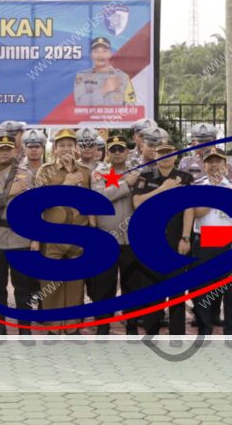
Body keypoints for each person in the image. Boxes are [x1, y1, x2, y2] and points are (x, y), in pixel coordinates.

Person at [132, 137, 194, 342]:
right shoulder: (145, 177)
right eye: (161, 152)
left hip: (176, 239)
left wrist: (186, 237)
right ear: (155, 155)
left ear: (175, 155)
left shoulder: (185, 178)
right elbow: (137, 203)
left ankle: (177, 335)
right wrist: (163, 189)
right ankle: (151, 333)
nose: (165, 156)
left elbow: (189, 209)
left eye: (169, 152)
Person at [34, 128, 94, 336]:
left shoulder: (85, 172)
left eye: (70, 144)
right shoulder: (46, 171)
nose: (66, 148)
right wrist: (65, 184)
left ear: (76, 148)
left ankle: (72, 325)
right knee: (51, 282)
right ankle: (53, 326)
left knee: (75, 283)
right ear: (55, 150)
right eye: (62, 145)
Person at [0, 135, 36, 343]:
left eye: (8, 149)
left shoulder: (27, 175)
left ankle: (24, 329)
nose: (4, 153)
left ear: (15, 151)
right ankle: (0, 327)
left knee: (23, 287)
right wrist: (9, 193)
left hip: (21, 237)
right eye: (1, 149)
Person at [192, 147, 232, 346]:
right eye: (210, 161)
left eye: (218, 161)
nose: (214, 165)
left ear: (225, 165)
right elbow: (195, 213)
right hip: (203, 239)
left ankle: (231, 333)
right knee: (202, 289)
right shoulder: (197, 187)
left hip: (227, 240)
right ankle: (204, 332)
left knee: (229, 290)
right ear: (204, 165)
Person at [90, 135, 141, 336]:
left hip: (131, 239)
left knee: (132, 286)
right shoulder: (99, 172)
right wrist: (125, 185)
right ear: (107, 152)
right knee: (104, 286)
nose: (117, 153)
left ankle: (132, 325)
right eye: (113, 150)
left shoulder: (137, 171)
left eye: (121, 149)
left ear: (127, 151)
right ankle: (103, 326)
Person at [74, 36, 136, 106]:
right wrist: (104, 89)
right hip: (91, 114)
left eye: (104, 51)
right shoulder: (82, 76)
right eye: (96, 51)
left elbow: (132, 106)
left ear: (110, 54)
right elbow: (79, 103)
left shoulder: (123, 77)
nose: (100, 55)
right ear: (91, 55)